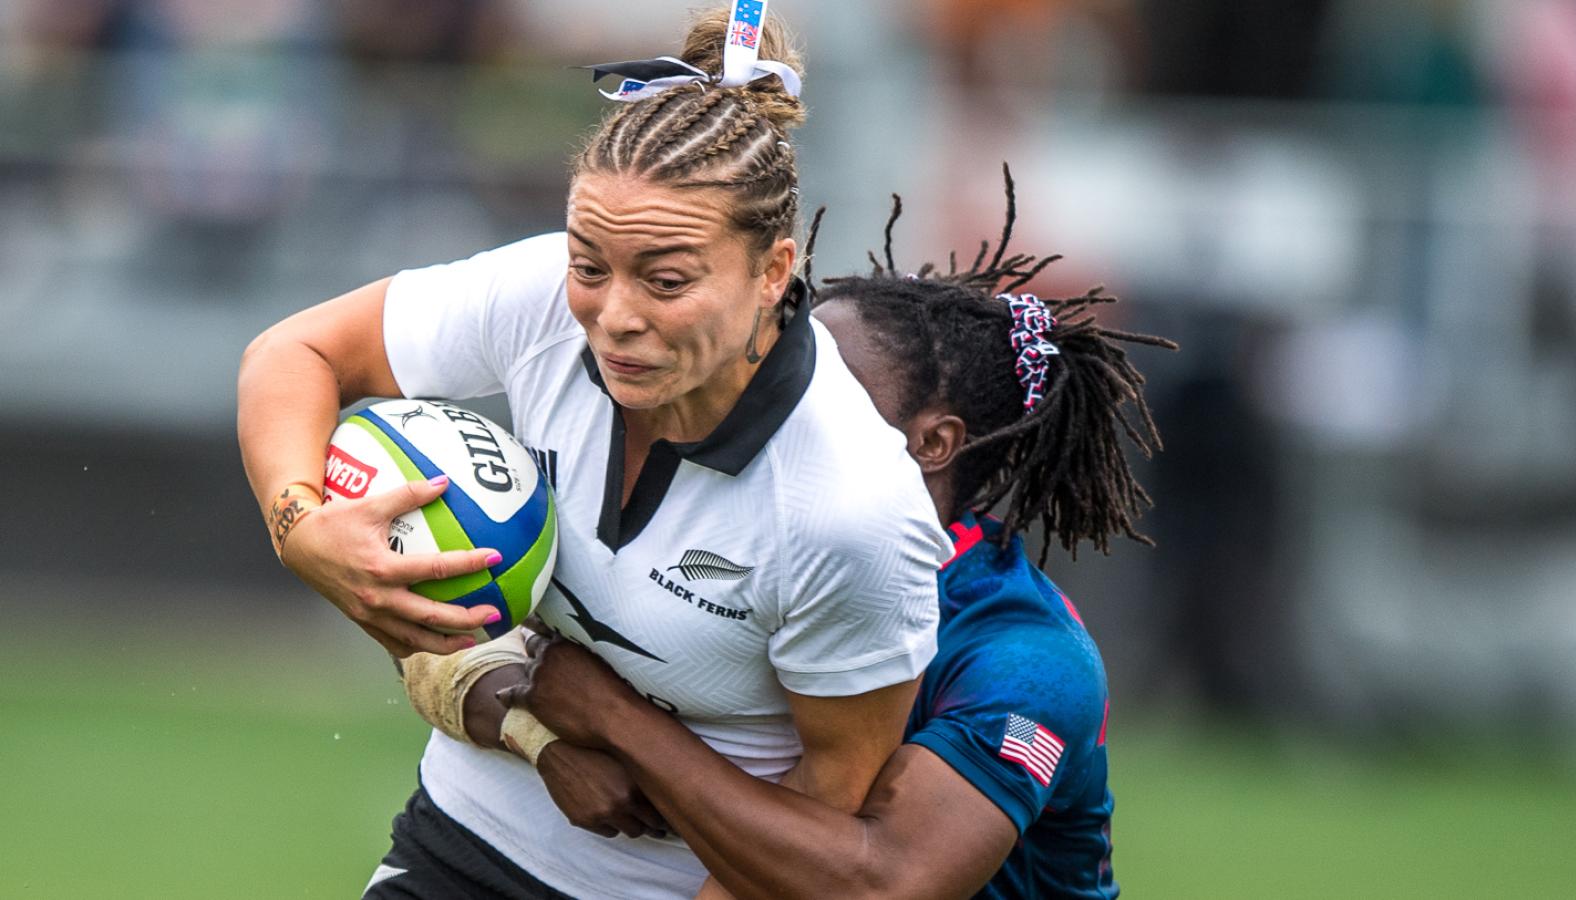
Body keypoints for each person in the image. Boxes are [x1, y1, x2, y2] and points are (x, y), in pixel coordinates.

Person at [236, 6, 952, 898]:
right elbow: (293, 354)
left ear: (773, 272)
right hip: (461, 840)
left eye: (667, 281)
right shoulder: (539, 299)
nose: (613, 316)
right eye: (589, 266)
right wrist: (299, 523)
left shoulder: (849, 510)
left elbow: (825, 812)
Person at [414, 171, 1176, 898]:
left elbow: (882, 883)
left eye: (832, 384)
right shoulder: (730, 521)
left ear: (933, 444)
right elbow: (490, 659)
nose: (792, 394)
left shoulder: (1025, 660)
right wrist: (538, 735)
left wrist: (618, 722)